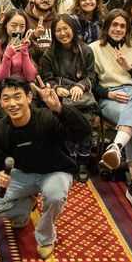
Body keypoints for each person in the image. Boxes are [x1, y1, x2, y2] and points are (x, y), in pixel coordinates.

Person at [0, 76, 92, 260]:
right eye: (6, 99)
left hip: (55, 171)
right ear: (0, 102)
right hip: (23, 175)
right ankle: (24, 209)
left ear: (29, 98)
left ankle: (46, 237)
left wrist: (59, 109)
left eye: (17, 97)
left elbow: (83, 131)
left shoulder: (46, 117)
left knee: (54, 195)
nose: (12, 104)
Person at [90, 9, 132, 215]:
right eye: (114, 25)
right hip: (112, 97)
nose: (118, 29)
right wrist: (108, 94)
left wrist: (130, 68)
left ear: (127, 29)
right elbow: (91, 84)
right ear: (107, 26)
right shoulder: (93, 49)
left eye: (122, 26)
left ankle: (116, 146)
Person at [40, 14, 97, 182]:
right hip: (60, 99)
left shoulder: (85, 50)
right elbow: (46, 78)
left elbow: (92, 77)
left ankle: (83, 161)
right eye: (58, 30)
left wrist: (81, 86)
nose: (62, 33)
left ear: (73, 29)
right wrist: (57, 89)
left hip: (81, 98)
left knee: (84, 120)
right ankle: (68, 157)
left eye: (66, 29)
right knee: (61, 121)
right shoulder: (48, 54)